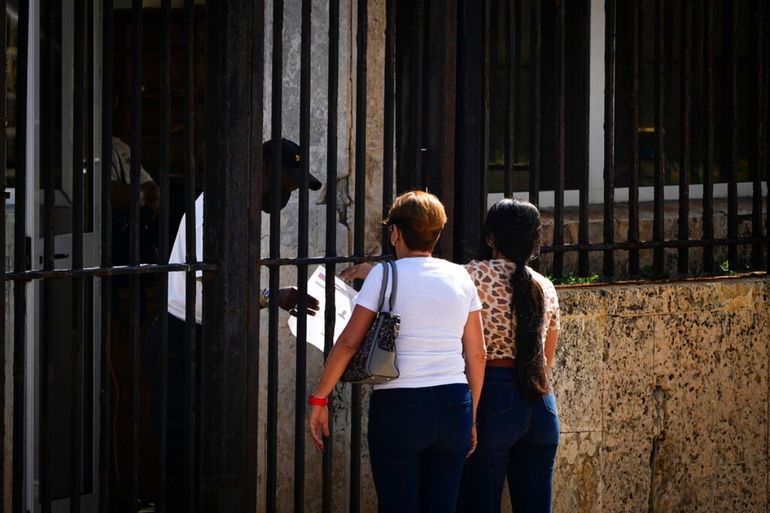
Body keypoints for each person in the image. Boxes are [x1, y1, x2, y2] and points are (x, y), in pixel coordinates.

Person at [153, 137, 322, 512]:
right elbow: (213, 280)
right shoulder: (215, 209)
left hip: (205, 336)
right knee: (186, 451)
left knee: (210, 445)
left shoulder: (236, 206)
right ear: (261, 169)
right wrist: (270, 296)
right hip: (183, 338)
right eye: (286, 184)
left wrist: (271, 296)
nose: (287, 195)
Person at [308, 190, 487, 513]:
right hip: (454, 404)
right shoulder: (461, 276)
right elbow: (477, 354)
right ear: (437, 233)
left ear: (396, 232)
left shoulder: (384, 274)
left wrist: (320, 398)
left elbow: (349, 342)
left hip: (400, 406)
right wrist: (471, 415)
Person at [458, 198, 561, 513]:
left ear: (491, 237)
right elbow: (547, 356)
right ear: (534, 243)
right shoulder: (544, 286)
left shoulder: (470, 276)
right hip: (541, 401)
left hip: (492, 396)